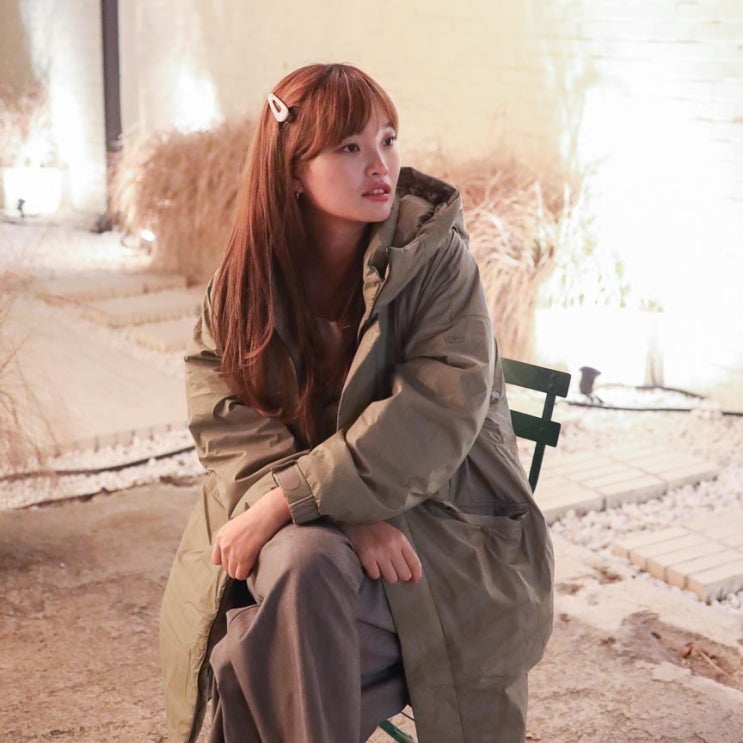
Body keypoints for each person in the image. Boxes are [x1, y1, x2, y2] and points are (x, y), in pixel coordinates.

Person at [160, 63, 554, 743]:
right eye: (349, 147)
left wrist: (290, 502)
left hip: (436, 532)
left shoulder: (437, 263)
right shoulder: (244, 280)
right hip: (320, 546)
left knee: (252, 653)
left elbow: (432, 415)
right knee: (301, 562)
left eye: (387, 140)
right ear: (292, 170)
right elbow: (227, 418)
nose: (380, 165)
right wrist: (340, 512)